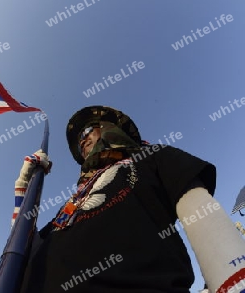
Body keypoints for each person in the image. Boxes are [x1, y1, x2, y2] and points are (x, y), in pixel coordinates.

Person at [15, 106, 245, 292]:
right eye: (78, 143)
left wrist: (235, 282)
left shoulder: (152, 156)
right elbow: (25, 254)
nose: (82, 142)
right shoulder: (73, 203)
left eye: (86, 133)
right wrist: (24, 191)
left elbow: (201, 213)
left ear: (108, 128)